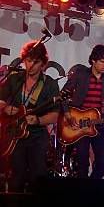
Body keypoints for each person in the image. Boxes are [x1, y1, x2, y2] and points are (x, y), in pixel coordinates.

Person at [0, 41, 60, 192]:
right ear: (24, 60)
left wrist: (39, 120)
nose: (31, 65)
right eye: (28, 60)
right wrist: (6, 108)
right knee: (15, 177)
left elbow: (54, 115)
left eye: (36, 62)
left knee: (37, 177)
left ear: (43, 64)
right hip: (14, 135)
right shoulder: (14, 79)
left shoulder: (50, 84)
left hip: (37, 136)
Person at [62, 44, 104, 179]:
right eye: (102, 62)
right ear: (93, 60)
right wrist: (68, 115)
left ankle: (92, 188)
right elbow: (63, 95)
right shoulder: (81, 74)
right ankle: (82, 192)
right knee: (82, 162)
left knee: (103, 163)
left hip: (98, 122)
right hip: (79, 123)